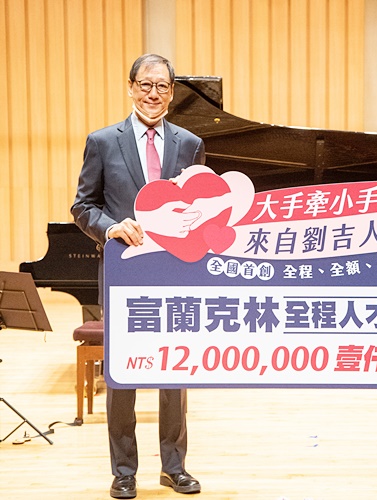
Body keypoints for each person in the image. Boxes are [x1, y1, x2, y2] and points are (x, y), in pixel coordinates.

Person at [71, 53, 206, 499]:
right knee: (123, 374)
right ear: (130, 86)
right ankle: (124, 470)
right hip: (122, 273)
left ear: (172, 92)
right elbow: (83, 206)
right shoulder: (102, 141)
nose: (153, 94)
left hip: (175, 273)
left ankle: (174, 467)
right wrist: (112, 227)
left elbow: (201, 206)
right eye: (145, 85)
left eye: (162, 86)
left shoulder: (190, 143)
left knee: (174, 372)